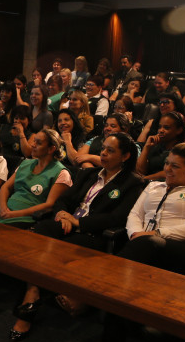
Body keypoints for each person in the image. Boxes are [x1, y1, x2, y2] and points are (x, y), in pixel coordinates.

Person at [88, 143, 185, 342]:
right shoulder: (152, 187)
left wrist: (154, 233)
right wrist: (135, 234)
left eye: (175, 166)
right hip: (142, 247)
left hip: (180, 251)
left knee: (147, 246)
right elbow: (134, 215)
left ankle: (92, 292)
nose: (167, 169)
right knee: (124, 284)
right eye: (167, 163)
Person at [29, 132, 146, 319]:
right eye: (103, 149)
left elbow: (117, 217)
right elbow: (63, 199)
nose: (104, 153)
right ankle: (39, 290)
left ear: (125, 156)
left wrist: (79, 222)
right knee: (42, 228)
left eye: (110, 150)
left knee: (69, 246)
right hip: (67, 223)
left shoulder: (132, 183)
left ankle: (34, 294)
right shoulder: (89, 173)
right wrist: (62, 214)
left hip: (93, 232)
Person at [0, 129, 72, 341]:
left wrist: (13, 213)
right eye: (33, 142)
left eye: (38, 143)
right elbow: (5, 188)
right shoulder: (26, 163)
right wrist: (3, 208)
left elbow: (49, 204)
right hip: (4, 212)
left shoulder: (61, 172)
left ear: (52, 149)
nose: (32, 146)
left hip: (27, 218)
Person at [137, 111, 185, 181]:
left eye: (166, 128)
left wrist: (144, 178)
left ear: (179, 130)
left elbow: (168, 173)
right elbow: (140, 170)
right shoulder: (157, 146)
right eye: (160, 127)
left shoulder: (182, 151)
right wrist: (147, 147)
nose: (161, 130)